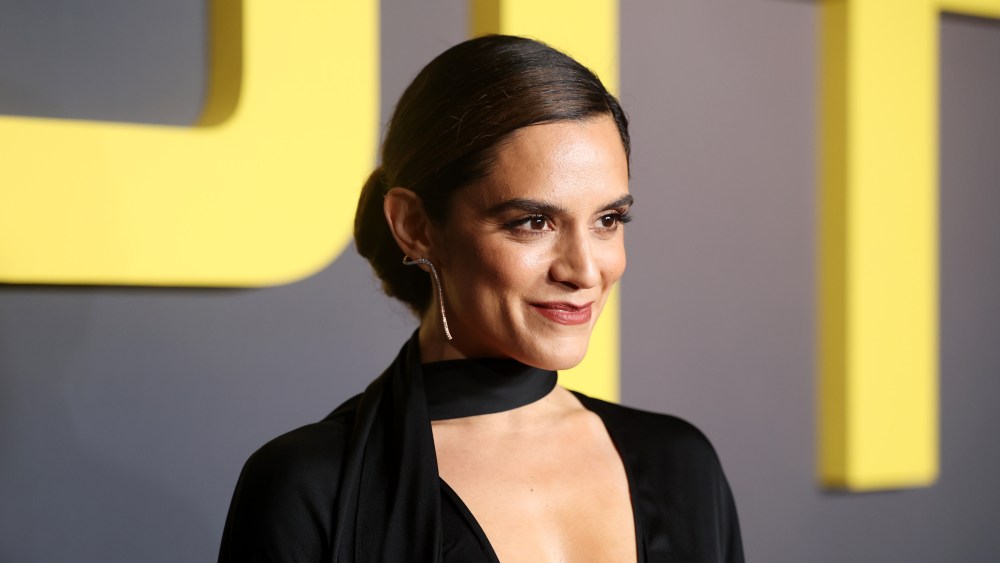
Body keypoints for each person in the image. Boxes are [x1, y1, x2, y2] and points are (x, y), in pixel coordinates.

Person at [218, 34, 743, 563]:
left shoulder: (681, 464)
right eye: (533, 222)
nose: (584, 270)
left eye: (608, 219)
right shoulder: (311, 487)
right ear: (415, 226)